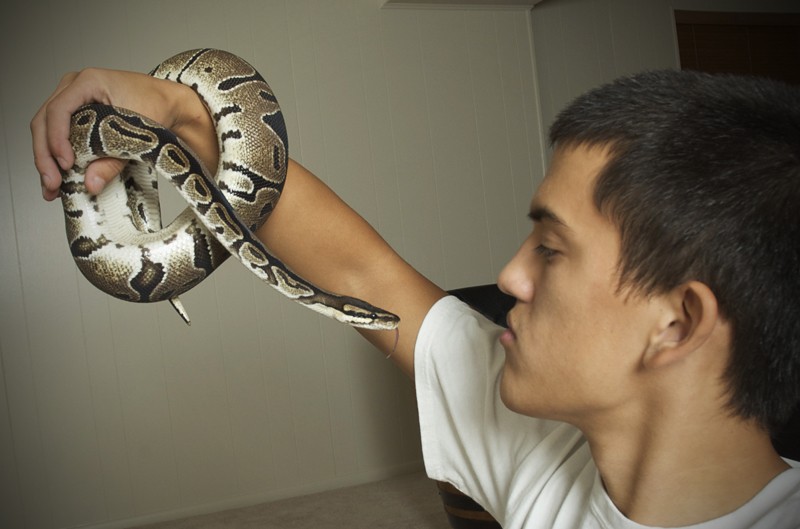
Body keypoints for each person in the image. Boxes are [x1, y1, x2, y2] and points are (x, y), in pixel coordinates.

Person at [32, 60, 800, 527]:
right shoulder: (538, 447)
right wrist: (177, 108)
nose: (510, 276)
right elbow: (364, 275)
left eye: (551, 248)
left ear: (677, 323)